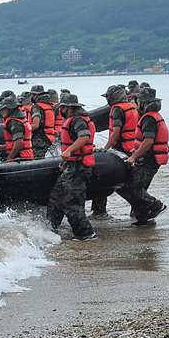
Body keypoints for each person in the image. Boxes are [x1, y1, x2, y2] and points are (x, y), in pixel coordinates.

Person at [47, 93, 97, 240]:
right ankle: (50, 229)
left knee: (72, 203)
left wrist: (69, 151)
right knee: (56, 198)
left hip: (79, 167)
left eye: (61, 107)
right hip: (71, 165)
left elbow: (85, 136)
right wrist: (66, 160)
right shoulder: (72, 119)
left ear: (67, 107)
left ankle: (86, 233)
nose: (59, 109)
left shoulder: (78, 120)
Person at [117, 87, 169, 225]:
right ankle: (144, 217)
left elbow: (149, 141)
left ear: (143, 102)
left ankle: (156, 205)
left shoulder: (149, 118)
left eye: (138, 99)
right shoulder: (154, 115)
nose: (136, 101)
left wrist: (134, 157)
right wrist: (137, 151)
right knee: (136, 187)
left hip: (149, 159)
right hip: (150, 156)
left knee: (132, 187)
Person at [93, 84, 142, 216]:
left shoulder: (117, 110)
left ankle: (99, 211)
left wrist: (105, 149)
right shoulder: (132, 106)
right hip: (132, 148)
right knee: (131, 182)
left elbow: (116, 133)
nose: (107, 99)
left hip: (122, 149)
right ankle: (139, 209)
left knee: (110, 181)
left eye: (108, 97)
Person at [29, 85, 57, 159]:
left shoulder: (36, 107)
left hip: (40, 139)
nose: (30, 97)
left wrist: (24, 130)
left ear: (36, 95)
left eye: (31, 94)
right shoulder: (49, 106)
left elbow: (36, 124)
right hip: (50, 137)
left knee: (35, 159)